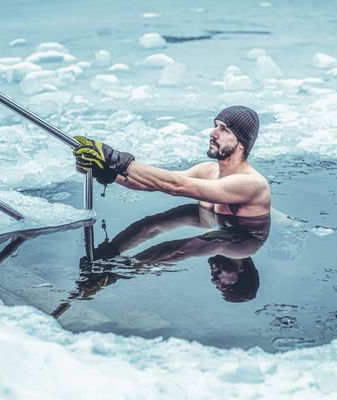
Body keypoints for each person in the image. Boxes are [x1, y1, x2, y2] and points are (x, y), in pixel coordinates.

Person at [73, 105, 271, 217]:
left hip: (242, 242)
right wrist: (109, 172)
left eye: (224, 129)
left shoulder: (250, 183)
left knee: (184, 249)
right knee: (156, 228)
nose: (212, 133)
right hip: (213, 235)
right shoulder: (207, 170)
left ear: (242, 144)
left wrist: (115, 158)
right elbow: (154, 185)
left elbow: (177, 186)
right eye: (215, 126)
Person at [72, 203, 270, 303]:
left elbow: (152, 226)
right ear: (243, 271)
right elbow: (180, 250)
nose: (214, 282)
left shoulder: (219, 218)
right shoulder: (244, 245)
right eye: (226, 286)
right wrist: (113, 273)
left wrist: (107, 254)